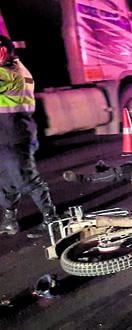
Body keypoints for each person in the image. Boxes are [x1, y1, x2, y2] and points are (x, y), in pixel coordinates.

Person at [0, 35, 58, 236]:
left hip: (15, 136)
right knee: (4, 181)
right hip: (7, 134)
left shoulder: (11, 73)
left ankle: (51, 219)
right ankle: (10, 221)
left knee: (26, 179)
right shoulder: (15, 68)